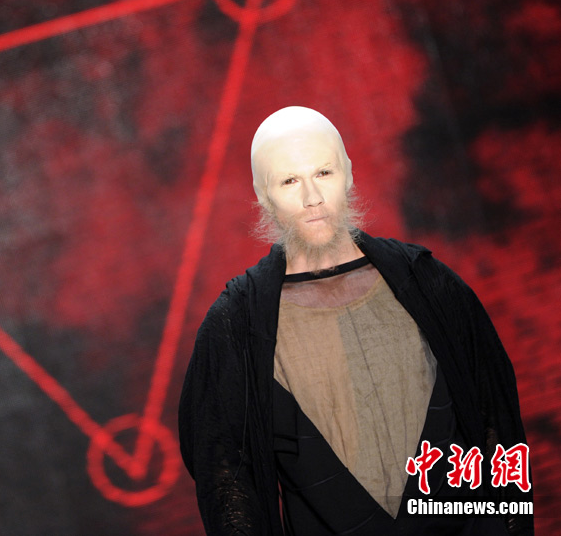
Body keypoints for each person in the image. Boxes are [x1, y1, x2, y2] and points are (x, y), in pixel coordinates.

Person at [177, 107, 533, 535]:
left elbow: (497, 423)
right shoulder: (236, 325)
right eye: (289, 181)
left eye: (323, 172)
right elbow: (225, 476)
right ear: (262, 194)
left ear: (347, 173)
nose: (312, 197)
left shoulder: (429, 283)